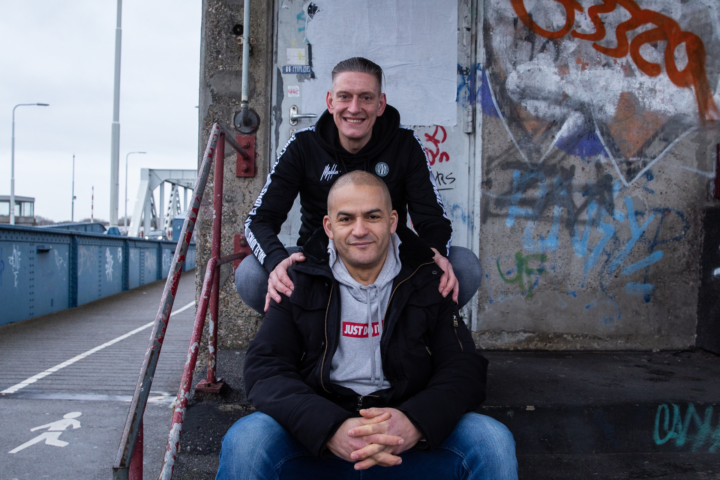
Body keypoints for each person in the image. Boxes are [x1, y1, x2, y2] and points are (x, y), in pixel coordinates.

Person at [217, 171, 517, 479]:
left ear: (392, 221)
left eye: (372, 217)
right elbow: (265, 369)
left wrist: (415, 421)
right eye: (346, 219)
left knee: (491, 440)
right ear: (329, 227)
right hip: (318, 444)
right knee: (247, 440)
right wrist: (330, 427)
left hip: (405, 444)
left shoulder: (427, 277)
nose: (360, 230)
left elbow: (464, 367)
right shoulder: (299, 279)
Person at [237, 57, 482, 314]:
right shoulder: (303, 145)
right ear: (330, 102)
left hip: (388, 260)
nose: (354, 108)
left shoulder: (405, 144)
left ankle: (405, 330)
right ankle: (310, 329)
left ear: (380, 104)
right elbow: (259, 220)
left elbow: (433, 220)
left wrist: (434, 255)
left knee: (464, 266)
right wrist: (277, 262)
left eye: (366, 98)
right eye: (344, 97)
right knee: (251, 274)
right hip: (319, 259)